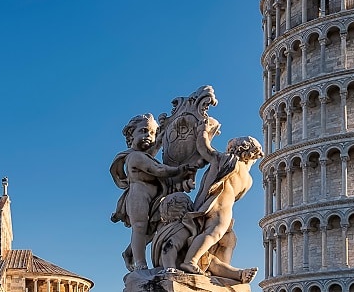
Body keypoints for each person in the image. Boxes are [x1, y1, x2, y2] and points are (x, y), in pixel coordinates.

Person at [179, 121, 263, 282]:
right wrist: (203, 130)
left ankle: (223, 272)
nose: (256, 158)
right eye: (256, 154)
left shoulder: (248, 178)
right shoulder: (228, 160)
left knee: (228, 240)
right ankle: (190, 261)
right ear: (248, 153)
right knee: (214, 233)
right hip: (218, 205)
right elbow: (205, 149)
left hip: (226, 208)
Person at [110, 114, 193, 271]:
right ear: (131, 135)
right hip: (139, 195)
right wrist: (179, 170)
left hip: (155, 198)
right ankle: (141, 263)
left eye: (152, 133)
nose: (148, 136)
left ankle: (129, 253)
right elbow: (158, 170)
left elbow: (154, 149)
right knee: (140, 227)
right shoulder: (135, 157)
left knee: (150, 231)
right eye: (143, 131)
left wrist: (163, 134)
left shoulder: (146, 155)